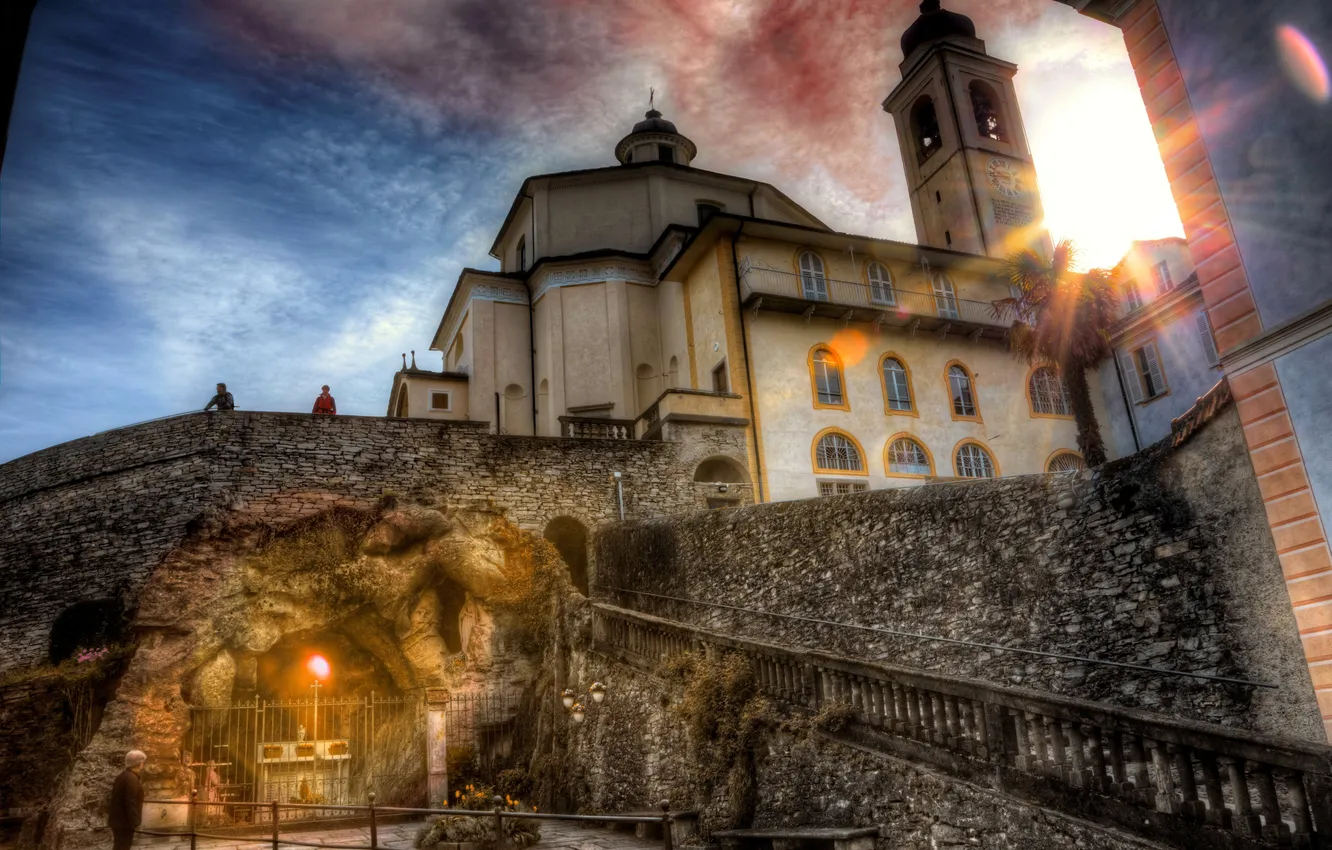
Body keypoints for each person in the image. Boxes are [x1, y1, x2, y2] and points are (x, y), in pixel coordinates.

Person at [109, 750, 146, 850]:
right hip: (125, 822)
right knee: (123, 847)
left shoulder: (122, 776)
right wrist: (136, 822)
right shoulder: (132, 779)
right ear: (140, 763)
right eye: (143, 762)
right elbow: (130, 802)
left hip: (117, 821)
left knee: (118, 847)